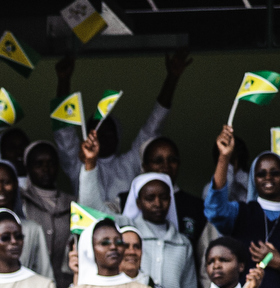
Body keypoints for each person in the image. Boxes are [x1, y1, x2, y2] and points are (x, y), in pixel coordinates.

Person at [51, 51, 189, 209]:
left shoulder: (129, 163)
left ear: (118, 136)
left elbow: (154, 125)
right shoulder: (78, 163)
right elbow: (63, 132)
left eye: (108, 132)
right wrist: (63, 80)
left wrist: (172, 78)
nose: (102, 136)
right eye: (96, 132)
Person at [78, 153, 200, 288]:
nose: (157, 203)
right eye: (150, 198)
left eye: (163, 197)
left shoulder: (182, 243)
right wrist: (90, 164)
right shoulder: (126, 230)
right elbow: (91, 207)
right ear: (138, 202)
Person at [203, 132, 280, 288]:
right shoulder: (240, 212)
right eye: (261, 173)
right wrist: (224, 158)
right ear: (253, 179)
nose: (268, 178)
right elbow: (214, 210)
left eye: (275, 173)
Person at [19, 140, 73, 288]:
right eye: (38, 164)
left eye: (51, 163)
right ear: (28, 167)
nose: (46, 169)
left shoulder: (73, 203)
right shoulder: (20, 201)